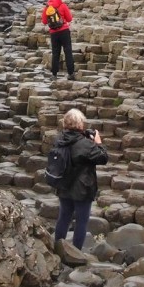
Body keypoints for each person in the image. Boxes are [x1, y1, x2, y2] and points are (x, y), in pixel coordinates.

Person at [52, 108, 108, 251]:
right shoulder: (85, 144)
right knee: (81, 221)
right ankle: (75, 252)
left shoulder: (59, 139)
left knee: (64, 217)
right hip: (83, 188)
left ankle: (58, 247)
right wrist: (98, 142)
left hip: (63, 184)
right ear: (80, 125)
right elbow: (103, 158)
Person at [41, 0, 75, 81]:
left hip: (54, 33)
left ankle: (54, 74)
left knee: (55, 53)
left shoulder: (47, 7)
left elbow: (44, 21)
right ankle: (71, 73)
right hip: (64, 31)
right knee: (68, 52)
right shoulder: (62, 5)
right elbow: (69, 18)